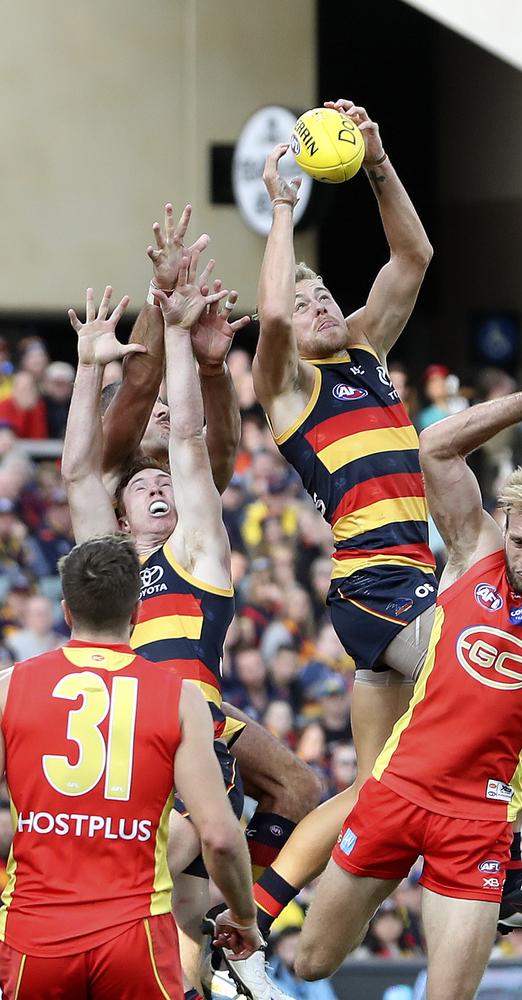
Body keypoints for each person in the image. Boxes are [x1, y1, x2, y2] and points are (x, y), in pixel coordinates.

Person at [229, 112, 522, 997]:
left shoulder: (365, 351)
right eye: (312, 299)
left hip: (416, 588)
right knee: (509, 675)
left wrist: (382, 162)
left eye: (328, 297)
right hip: (377, 594)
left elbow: (412, 262)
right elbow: (275, 308)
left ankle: (251, 938)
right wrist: (282, 213)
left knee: (373, 787)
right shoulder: (287, 384)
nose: (319, 306)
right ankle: (501, 877)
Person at [289, 348, 522, 1000]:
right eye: (520, 541)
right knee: (311, 962)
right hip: (396, 790)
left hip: (475, 823)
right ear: (504, 527)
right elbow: (435, 448)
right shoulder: (474, 549)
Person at [60, 275, 280, 999]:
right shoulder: (111, 571)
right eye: (140, 489)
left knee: (133, 877)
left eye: (165, 488)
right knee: (177, 930)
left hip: (188, 755)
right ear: (119, 521)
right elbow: (75, 472)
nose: (158, 489)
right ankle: (237, 956)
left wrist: (181, 337)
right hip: (123, 756)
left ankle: (246, 943)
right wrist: (91, 367)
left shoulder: (199, 555)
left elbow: (186, 437)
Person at [100, 204, 320, 906]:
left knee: (297, 786)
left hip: (195, 690)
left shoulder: (183, 492)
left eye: (175, 400)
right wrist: (161, 311)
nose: (166, 407)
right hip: (130, 691)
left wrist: (215, 371)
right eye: (159, 403)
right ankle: (176, 917)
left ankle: (238, 922)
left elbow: (216, 453)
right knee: (182, 840)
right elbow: (135, 388)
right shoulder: (114, 473)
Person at [0, 534, 260, 999]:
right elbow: (219, 836)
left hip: (34, 936)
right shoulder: (179, 697)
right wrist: (244, 916)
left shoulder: (10, 688)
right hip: (134, 939)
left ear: (66, 610)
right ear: (136, 614)